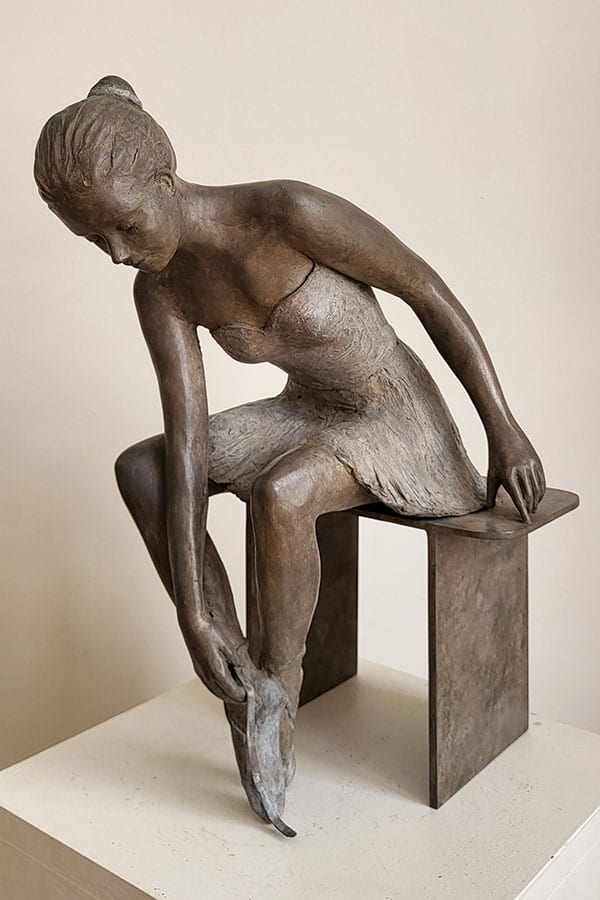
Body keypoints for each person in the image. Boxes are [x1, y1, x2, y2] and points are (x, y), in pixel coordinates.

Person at [34, 75, 545, 836]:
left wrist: (503, 427)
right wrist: (194, 613)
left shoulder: (288, 212)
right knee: (139, 469)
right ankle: (241, 680)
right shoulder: (160, 290)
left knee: (283, 491)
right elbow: (186, 444)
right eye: (94, 240)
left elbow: (425, 289)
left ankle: (280, 685)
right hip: (306, 410)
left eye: (125, 226)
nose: (116, 253)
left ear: (165, 182)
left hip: (394, 414)